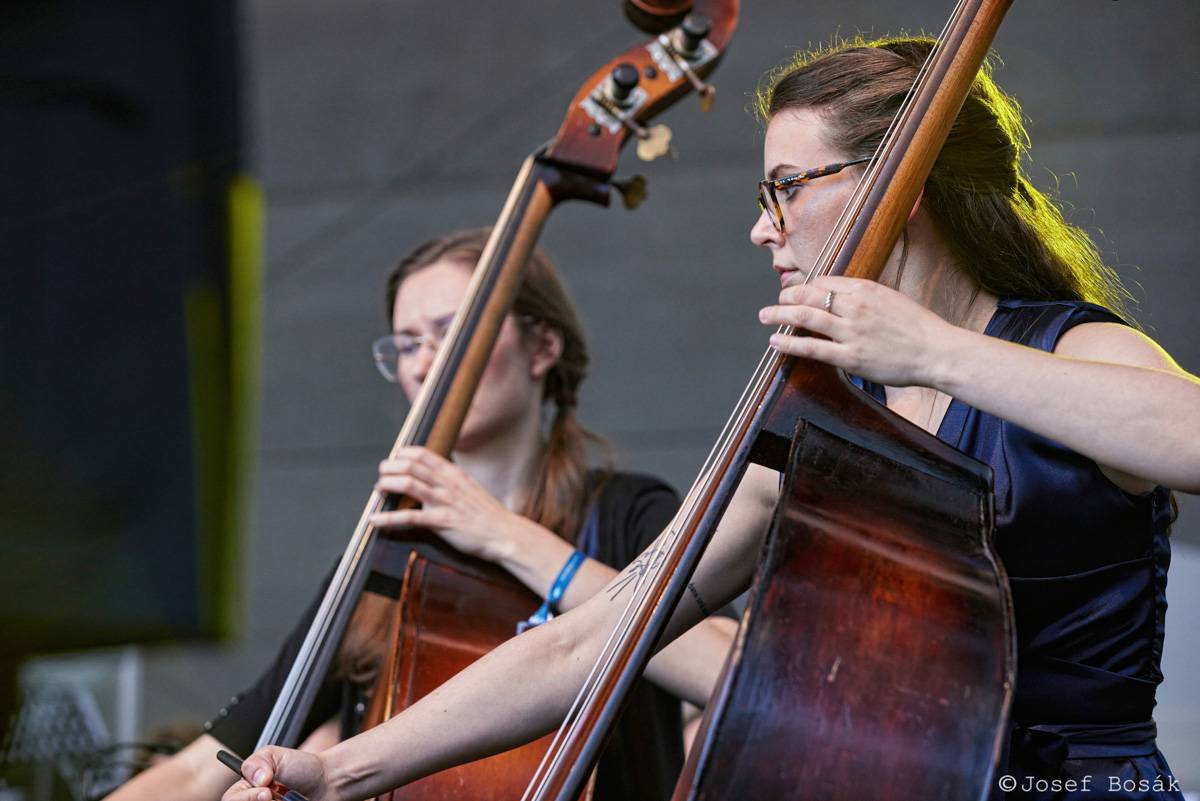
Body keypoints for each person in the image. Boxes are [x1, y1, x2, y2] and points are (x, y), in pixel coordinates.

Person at [220, 37, 1198, 801]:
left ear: (902, 184)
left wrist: (935, 352)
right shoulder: (828, 421)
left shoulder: (1071, 353)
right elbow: (589, 636)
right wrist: (346, 771)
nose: (761, 227)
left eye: (786, 190)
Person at [103, 228, 737, 801]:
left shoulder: (629, 513)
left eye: (453, 332)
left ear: (542, 346)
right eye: (408, 344)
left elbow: (731, 679)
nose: (425, 362)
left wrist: (507, 536)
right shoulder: (388, 550)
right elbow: (200, 770)